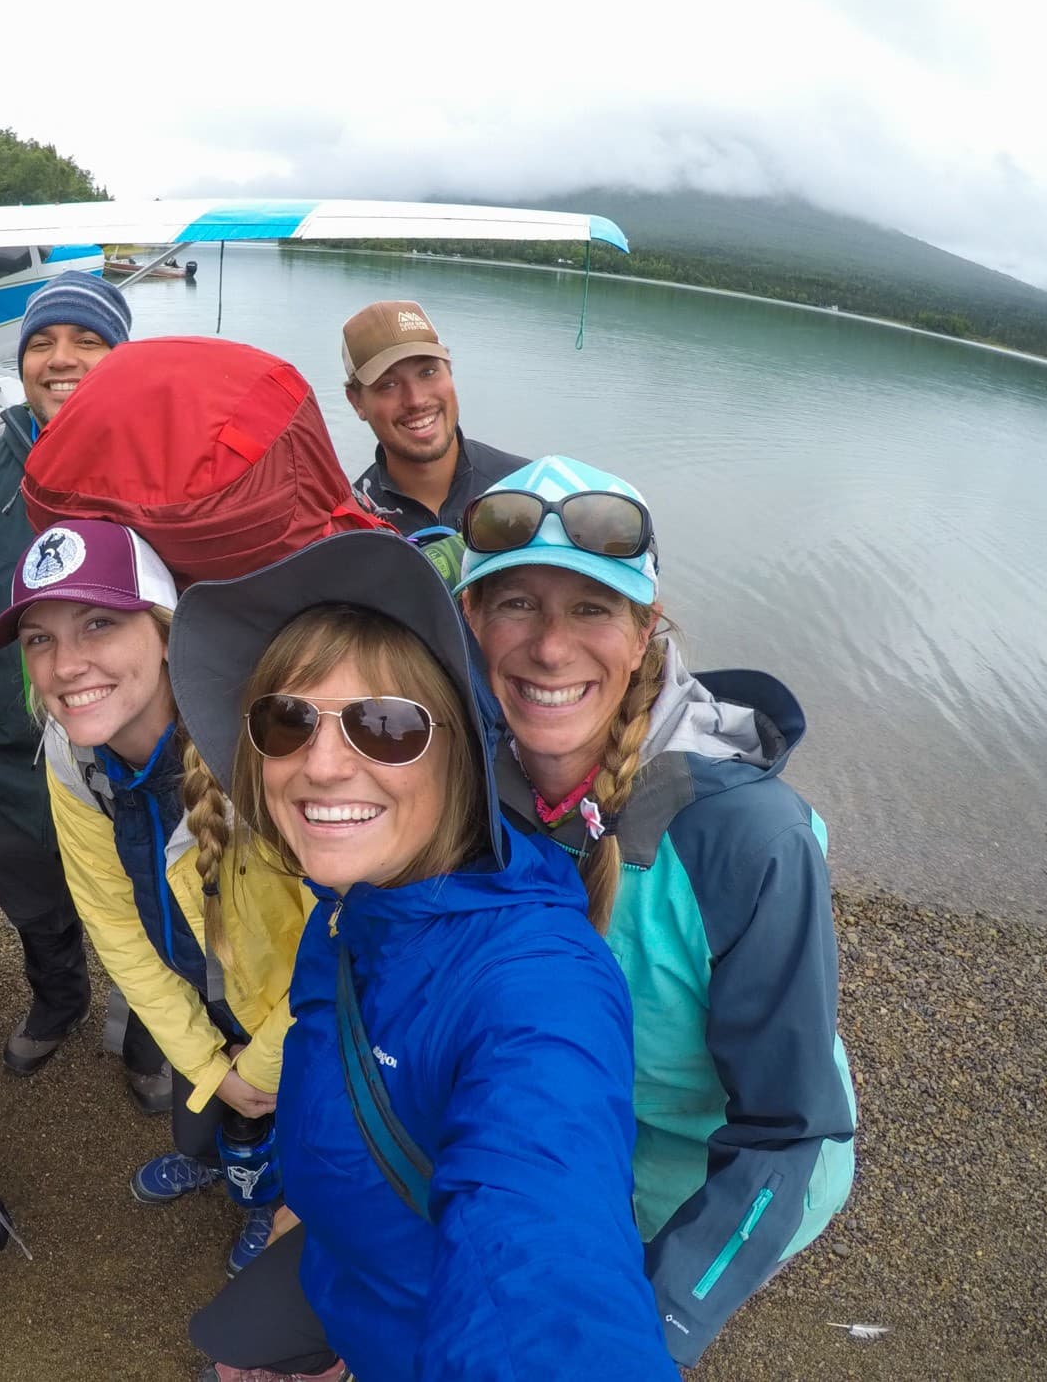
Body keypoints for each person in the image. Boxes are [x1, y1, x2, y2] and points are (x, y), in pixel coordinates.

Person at [172, 530, 676, 1382]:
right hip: (352, 1293)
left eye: (386, 727)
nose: (323, 766)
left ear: (460, 756)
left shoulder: (536, 988)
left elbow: (542, 1282)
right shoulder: (347, 915)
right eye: (287, 720)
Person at [456, 455, 856, 1367]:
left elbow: (790, 1130)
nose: (551, 648)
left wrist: (659, 1322)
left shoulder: (750, 842)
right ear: (473, 622)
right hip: (576, 1142)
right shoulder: (470, 784)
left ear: (644, 634)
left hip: (703, 1180)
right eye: (516, 603)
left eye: (592, 608)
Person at [0, 519, 312, 1275]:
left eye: (99, 623)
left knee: (283, 1117)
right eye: (39, 639)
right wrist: (205, 1058)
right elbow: (111, 917)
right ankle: (216, 1162)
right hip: (187, 991)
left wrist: (258, 1065)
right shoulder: (73, 753)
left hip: (296, 1014)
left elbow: (342, 934)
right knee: (202, 1114)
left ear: (166, 632)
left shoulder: (261, 758)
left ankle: (267, 1198)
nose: (66, 666)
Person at [0, 272, 142, 1085]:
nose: (62, 360)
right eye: (42, 344)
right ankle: (57, 1001)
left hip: (134, 752)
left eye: (88, 342)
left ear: (122, 358)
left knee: (146, 903)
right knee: (32, 897)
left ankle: (149, 1039)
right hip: (13, 755)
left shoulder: (154, 467)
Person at [341, 300, 527, 538]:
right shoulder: (352, 529)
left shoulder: (527, 489)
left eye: (428, 372)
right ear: (356, 401)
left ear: (449, 369)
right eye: (388, 385)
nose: (416, 400)